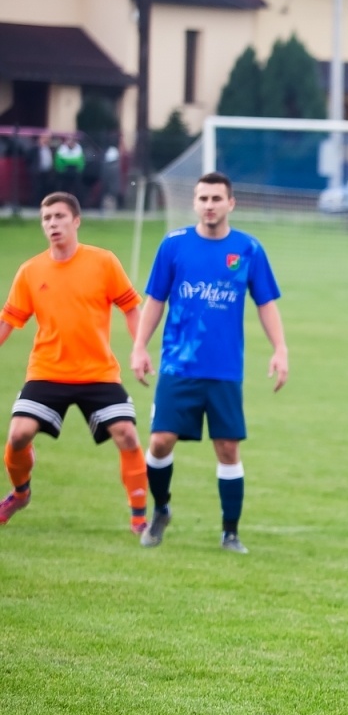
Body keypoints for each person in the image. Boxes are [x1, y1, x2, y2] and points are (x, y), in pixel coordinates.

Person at [131, 172, 288, 554]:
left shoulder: (248, 249)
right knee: (160, 440)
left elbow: (265, 303)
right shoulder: (174, 245)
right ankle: (162, 509)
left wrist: (280, 348)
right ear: (195, 203)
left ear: (231, 203)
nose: (209, 205)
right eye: (203, 198)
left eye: (217, 198)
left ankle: (230, 532)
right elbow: (155, 300)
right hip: (177, 365)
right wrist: (140, 347)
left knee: (228, 448)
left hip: (224, 369)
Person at [0, 192, 149, 535]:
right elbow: (8, 320)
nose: (52, 224)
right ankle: (20, 494)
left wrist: (139, 349)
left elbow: (130, 308)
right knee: (19, 434)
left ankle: (140, 518)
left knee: (126, 434)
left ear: (76, 221)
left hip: (98, 372)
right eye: (46, 219)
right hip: (47, 371)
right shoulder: (31, 270)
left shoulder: (103, 262)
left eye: (59, 217)